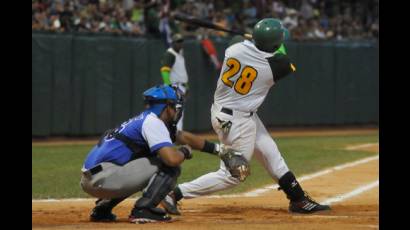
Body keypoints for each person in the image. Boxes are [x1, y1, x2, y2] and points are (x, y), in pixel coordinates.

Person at [160, 18, 331, 215]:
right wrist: (266, 43)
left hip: (229, 112)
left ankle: (298, 199)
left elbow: (238, 41)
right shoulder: (276, 66)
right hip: (237, 121)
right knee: (233, 174)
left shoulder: (233, 50)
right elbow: (282, 55)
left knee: (271, 153)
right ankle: (173, 193)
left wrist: (257, 40)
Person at [80, 85, 240, 224]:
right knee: (167, 165)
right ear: (167, 106)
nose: (178, 110)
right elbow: (171, 160)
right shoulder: (153, 123)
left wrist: (220, 150)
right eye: (175, 106)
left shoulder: (148, 119)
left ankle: (103, 209)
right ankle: (143, 210)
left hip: (93, 178)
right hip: (105, 179)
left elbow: (182, 136)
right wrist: (184, 152)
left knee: (146, 163)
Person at [160, 33, 189, 131]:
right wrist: (169, 87)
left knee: (179, 112)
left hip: (181, 87)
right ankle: (174, 134)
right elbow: (164, 71)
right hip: (174, 86)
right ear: (173, 43)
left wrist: (186, 86)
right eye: (178, 42)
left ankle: (177, 134)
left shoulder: (179, 54)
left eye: (181, 42)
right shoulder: (170, 53)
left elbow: (182, 73)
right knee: (175, 112)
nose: (180, 44)